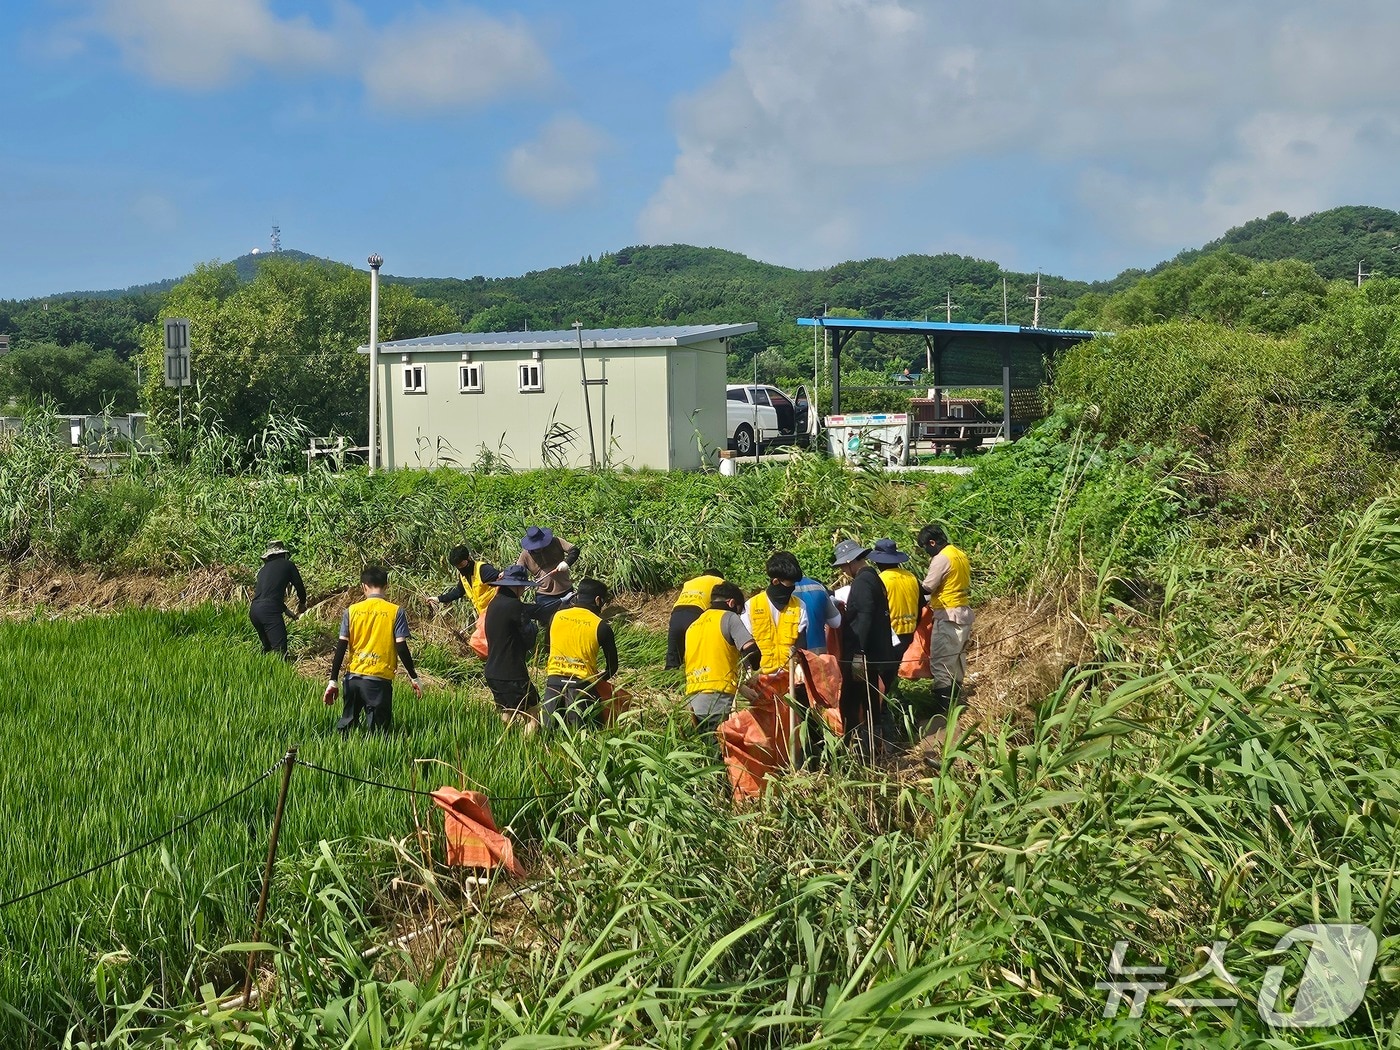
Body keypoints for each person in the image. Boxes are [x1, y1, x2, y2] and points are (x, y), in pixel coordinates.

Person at [323, 565, 421, 733]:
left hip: (352, 679)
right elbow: (401, 647)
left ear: (364, 586)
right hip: (378, 680)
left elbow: (341, 647)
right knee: (378, 733)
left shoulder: (351, 611)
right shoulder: (395, 611)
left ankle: (344, 754)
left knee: (346, 727)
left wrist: (333, 680)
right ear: (386, 586)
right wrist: (414, 677)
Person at [832, 539, 898, 752]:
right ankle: (874, 742)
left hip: (860, 654)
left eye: (843, 565)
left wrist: (857, 653)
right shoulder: (873, 578)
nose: (843, 569)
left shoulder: (862, 582)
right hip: (872, 651)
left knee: (853, 698)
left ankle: (855, 745)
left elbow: (864, 617)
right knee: (869, 698)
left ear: (851, 561)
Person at [542, 578, 619, 729]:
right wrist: (598, 680)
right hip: (581, 689)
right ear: (598, 600)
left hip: (553, 685)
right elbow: (613, 666)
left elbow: (547, 649)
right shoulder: (601, 626)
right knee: (586, 737)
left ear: (577, 595)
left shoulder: (556, 616)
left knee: (547, 736)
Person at [684, 581, 761, 733]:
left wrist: (741, 688)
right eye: (739, 610)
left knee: (705, 749)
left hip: (693, 701)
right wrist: (756, 670)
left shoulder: (693, 625)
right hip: (717, 703)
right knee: (721, 752)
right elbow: (751, 650)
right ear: (731, 603)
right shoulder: (729, 617)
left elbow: (714, 666)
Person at [916, 524, 974, 713]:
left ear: (932, 542)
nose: (927, 552)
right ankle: (956, 704)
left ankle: (944, 711)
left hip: (947, 615)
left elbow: (927, 587)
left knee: (940, 663)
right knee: (956, 662)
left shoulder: (941, 558)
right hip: (963, 614)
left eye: (925, 547)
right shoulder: (959, 553)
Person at [481, 564, 543, 722]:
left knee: (507, 711)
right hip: (512, 673)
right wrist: (534, 627)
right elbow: (529, 639)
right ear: (516, 587)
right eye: (522, 586)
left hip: (492, 672)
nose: (523, 590)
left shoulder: (493, 604)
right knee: (532, 713)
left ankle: (506, 743)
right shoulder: (515, 606)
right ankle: (529, 746)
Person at [742, 551, 808, 675]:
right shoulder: (751, 606)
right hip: (761, 678)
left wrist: (800, 666)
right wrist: (749, 672)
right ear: (776, 582)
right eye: (789, 584)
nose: (792, 588)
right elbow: (746, 645)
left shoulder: (799, 606)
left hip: (790, 679)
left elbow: (801, 643)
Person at [869, 538, 925, 674]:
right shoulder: (911, 577)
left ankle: (890, 693)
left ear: (878, 561)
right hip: (909, 631)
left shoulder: (881, 579)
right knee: (896, 668)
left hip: (890, 633)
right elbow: (921, 604)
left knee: (886, 671)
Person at [249, 541, 306, 656]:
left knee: (268, 648)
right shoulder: (288, 565)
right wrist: (302, 602)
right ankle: (280, 672)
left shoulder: (262, 571)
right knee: (280, 651)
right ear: (283, 554)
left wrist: (286, 611)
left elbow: (267, 595)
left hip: (254, 611)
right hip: (269, 611)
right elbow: (299, 585)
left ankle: (262, 670)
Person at [518, 525, 580, 626]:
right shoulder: (525, 555)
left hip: (566, 590)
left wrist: (567, 562)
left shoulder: (556, 542)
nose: (539, 549)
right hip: (544, 595)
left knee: (571, 621)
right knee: (548, 624)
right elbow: (519, 572)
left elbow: (574, 550)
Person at [665, 569, 724, 669]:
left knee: (674, 654)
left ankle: (668, 681)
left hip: (676, 614)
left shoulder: (689, 583)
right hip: (695, 613)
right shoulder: (719, 581)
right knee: (698, 652)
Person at [426, 544, 497, 622]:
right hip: (485, 617)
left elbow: (502, 580)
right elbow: (458, 592)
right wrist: (438, 599)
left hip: (497, 612)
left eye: (461, 564)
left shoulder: (483, 570)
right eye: (457, 566)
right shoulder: (463, 577)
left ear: (468, 558)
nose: (460, 568)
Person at [793, 567, 842, 656]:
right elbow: (836, 622)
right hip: (818, 655)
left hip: (793, 656)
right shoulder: (818, 587)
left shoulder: (783, 591)